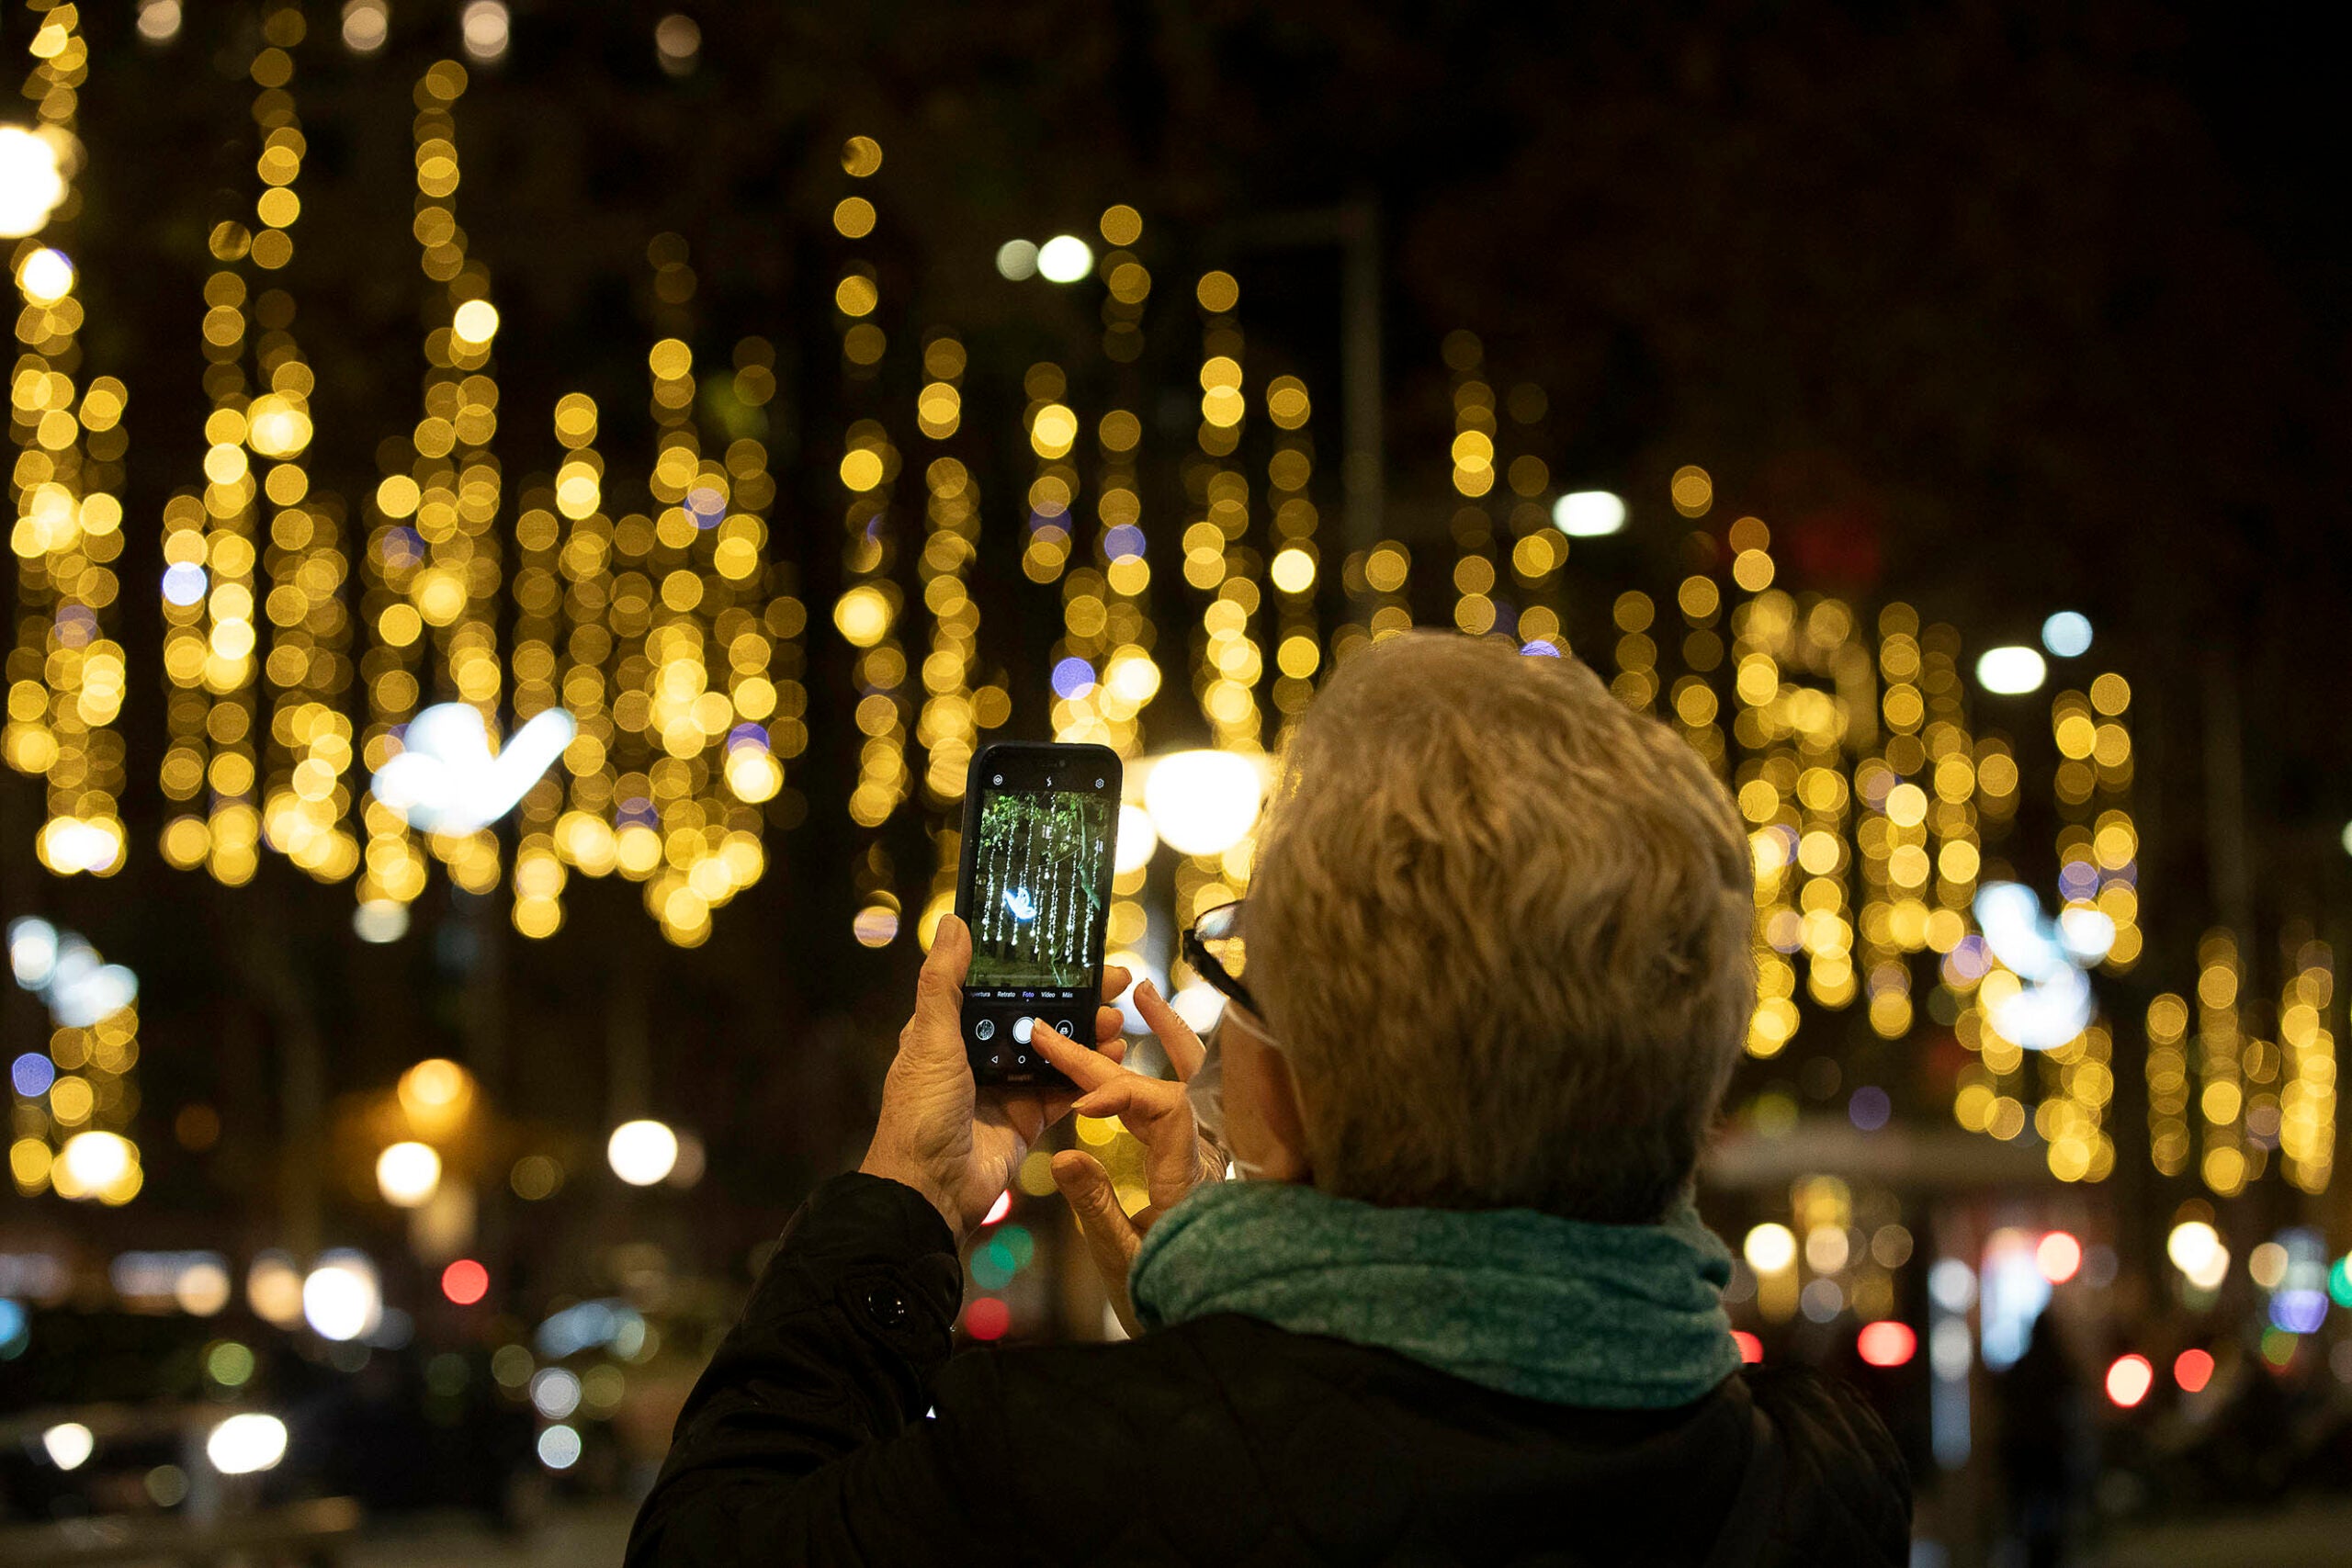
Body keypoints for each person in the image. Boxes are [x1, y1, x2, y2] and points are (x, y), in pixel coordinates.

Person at [628, 631, 1911, 1565]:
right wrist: (1236, 1341)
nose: (1213, 1020)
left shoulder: (1051, 1474)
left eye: (1242, 966)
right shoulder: (1818, 1487)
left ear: (1295, 1080)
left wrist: (903, 1199)